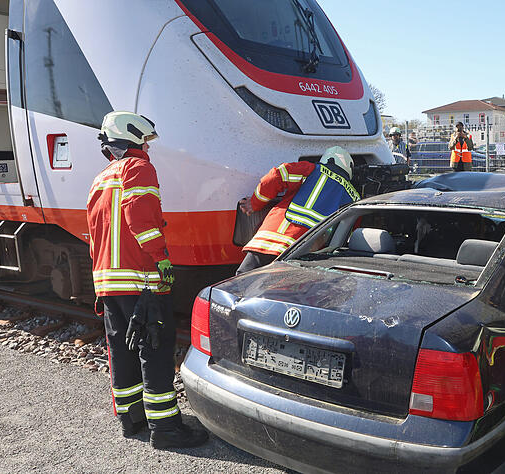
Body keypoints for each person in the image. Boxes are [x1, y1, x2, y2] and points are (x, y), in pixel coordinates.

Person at [87, 111, 208, 448]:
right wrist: (161, 259)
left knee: (121, 351)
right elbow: (139, 217)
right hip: (141, 282)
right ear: (134, 140)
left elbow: (96, 236)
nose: (148, 150)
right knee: (154, 350)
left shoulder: (99, 179)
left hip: (107, 283)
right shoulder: (138, 168)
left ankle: (131, 420)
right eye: (144, 143)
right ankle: (166, 429)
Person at [237, 146, 361, 274]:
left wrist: (255, 203)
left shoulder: (312, 169)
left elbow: (277, 175)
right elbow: (346, 234)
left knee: (240, 286)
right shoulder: (354, 197)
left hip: (267, 240)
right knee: (279, 292)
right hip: (302, 252)